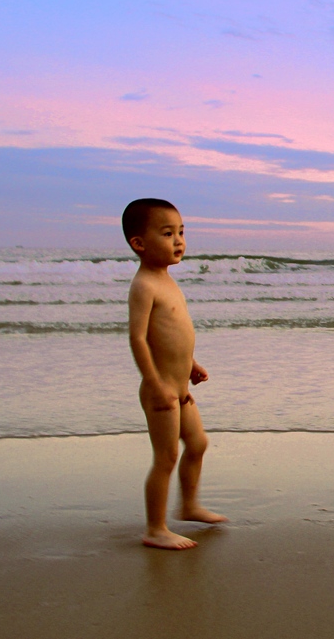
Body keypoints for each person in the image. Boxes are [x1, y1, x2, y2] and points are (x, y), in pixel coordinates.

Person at [122, 198, 227, 550]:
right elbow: (138, 338)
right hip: (161, 392)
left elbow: (172, 335)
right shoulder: (144, 286)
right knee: (166, 458)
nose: (179, 240)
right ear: (139, 243)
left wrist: (191, 363)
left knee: (197, 444)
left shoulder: (167, 280)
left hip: (179, 387)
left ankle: (190, 505)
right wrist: (154, 384)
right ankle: (155, 528)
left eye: (181, 232)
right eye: (168, 233)